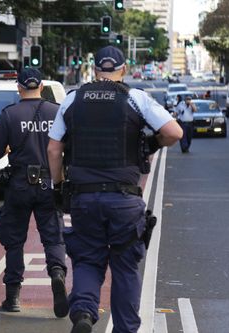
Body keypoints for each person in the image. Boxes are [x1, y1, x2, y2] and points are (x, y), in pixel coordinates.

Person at [47, 46, 182, 333]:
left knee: (87, 258)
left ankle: (83, 311)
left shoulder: (72, 100)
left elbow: (54, 148)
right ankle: (125, 329)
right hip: (124, 199)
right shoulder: (135, 99)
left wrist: (57, 186)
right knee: (124, 268)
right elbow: (175, 132)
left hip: (83, 197)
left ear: (95, 69)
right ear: (123, 70)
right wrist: (151, 145)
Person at [0, 68, 69, 318]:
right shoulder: (56, 111)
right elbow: (66, 149)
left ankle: (13, 296)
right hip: (49, 183)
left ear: (19, 87)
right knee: (53, 236)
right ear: (41, 87)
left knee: (15, 241)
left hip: (19, 184)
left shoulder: (9, 115)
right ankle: (58, 273)